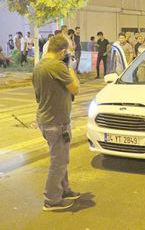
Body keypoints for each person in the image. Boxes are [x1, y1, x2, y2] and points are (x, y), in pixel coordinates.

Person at [32, 34, 81, 211]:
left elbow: (38, 95)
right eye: (66, 52)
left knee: (60, 159)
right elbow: (76, 88)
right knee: (58, 162)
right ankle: (52, 200)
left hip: (45, 119)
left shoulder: (39, 66)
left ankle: (64, 190)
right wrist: (71, 69)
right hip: (57, 121)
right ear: (61, 52)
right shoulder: (58, 66)